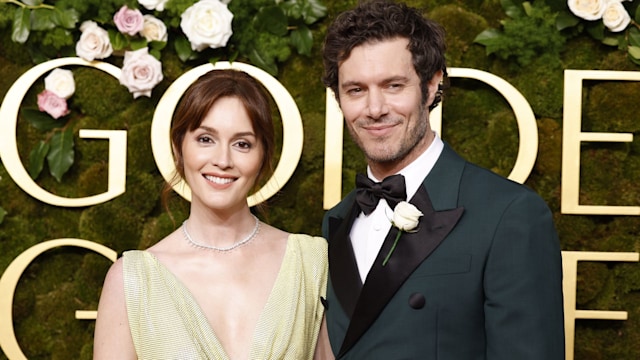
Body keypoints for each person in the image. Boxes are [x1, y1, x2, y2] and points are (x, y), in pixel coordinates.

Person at [320, 0, 565, 359]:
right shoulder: (336, 221)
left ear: (432, 86)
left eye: (393, 86)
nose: (374, 109)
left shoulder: (509, 214)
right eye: (356, 90)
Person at [94, 69, 332, 359]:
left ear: (263, 158)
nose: (222, 160)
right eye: (206, 139)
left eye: (242, 144)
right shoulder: (130, 280)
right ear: (179, 147)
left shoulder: (311, 263)